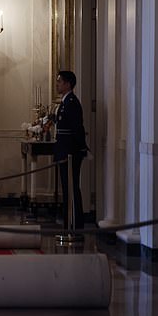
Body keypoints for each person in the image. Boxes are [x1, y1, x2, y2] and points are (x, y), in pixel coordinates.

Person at [53, 70, 88, 230]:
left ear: (68, 84)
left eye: (59, 81)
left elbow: (77, 128)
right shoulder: (65, 102)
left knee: (71, 187)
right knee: (67, 187)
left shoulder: (72, 102)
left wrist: (80, 148)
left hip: (70, 152)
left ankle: (75, 223)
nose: (57, 84)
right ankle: (69, 221)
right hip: (64, 150)